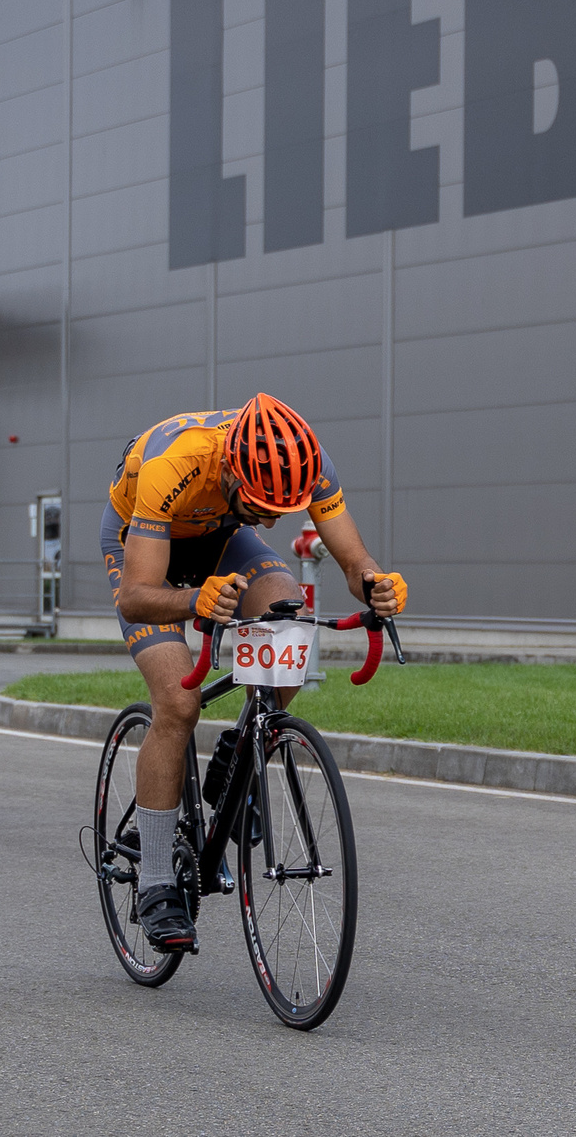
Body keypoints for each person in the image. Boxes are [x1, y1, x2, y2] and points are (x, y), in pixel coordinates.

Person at [103, 392, 406, 952]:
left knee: (287, 615)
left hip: (219, 536)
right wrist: (198, 599)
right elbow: (137, 598)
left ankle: (239, 754)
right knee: (178, 704)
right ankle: (154, 881)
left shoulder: (309, 463)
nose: (272, 518)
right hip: (146, 542)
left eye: (283, 508)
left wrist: (376, 585)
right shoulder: (178, 461)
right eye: (263, 504)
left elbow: (352, 559)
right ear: (230, 468)